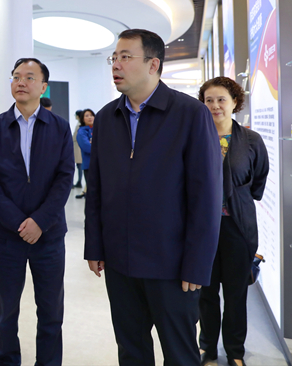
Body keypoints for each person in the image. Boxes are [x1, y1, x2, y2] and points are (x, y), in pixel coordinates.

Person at [84, 29, 222, 366]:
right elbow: (97, 188)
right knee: (131, 352)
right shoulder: (107, 118)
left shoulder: (189, 114)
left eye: (125, 57)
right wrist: (95, 246)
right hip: (120, 263)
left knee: (180, 354)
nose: (116, 64)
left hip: (172, 266)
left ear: (153, 64)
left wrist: (197, 264)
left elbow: (206, 196)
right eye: (114, 58)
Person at [0, 58, 74, 366]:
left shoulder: (59, 127)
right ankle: (6, 361)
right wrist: (19, 222)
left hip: (49, 235)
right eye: (16, 76)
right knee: (6, 311)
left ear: (43, 86)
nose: (21, 82)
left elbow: (64, 178)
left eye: (29, 77)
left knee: (51, 311)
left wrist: (40, 221)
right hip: (8, 236)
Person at [197, 77, 269, 366]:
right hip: (202, 229)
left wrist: (237, 198)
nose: (215, 105)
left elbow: (259, 178)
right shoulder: (195, 137)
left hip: (238, 227)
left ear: (235, 102)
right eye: (209, 100)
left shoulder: (251, 140)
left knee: (236, 294)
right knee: (205, 293)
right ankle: (207, 348)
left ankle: (235, 352)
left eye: (221, 100)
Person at [75, 109, 94, 199]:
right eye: (87, 116)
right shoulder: (81, 132)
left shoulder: (98, 129)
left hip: (102, 165)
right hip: (89, 165)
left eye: (91, 115)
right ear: (82, 119)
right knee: (92, 193)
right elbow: (87, 147)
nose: (90, 117)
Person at [72, 110, 84, 188]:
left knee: (79, 166)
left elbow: (75, 137)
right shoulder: (79, 124)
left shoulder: (80, 125)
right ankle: (78, 181)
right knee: (79, 165)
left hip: (78, 148)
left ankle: (79, 181)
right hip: (77, 148)